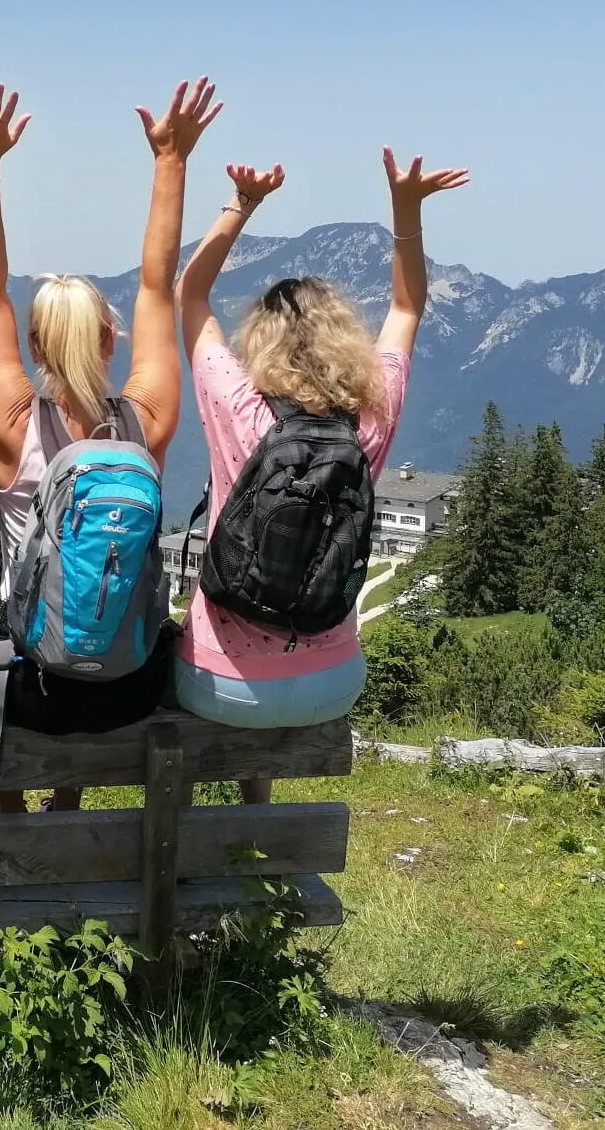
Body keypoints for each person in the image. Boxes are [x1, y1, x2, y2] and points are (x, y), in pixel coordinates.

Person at [175, 148, 469, 801]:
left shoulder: (235, 403)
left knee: (193, 686)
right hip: (331, 679)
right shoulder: (371, 412)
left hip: (220, 683)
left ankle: (191, 833)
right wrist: (407, 207)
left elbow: (188, 294)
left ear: (260, 341)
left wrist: (241, 204)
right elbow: (406, 306)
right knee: (273, 703)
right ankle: (256, 820)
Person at [0, 78, 222, 813]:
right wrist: (170, 162)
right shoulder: (145, 423)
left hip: (34, 690)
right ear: (111, 340)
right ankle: (67, 805)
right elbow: (156, 287)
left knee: (10, 640)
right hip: (123, 691)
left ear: (33, 345)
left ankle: (10, 810)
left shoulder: (14, 421)